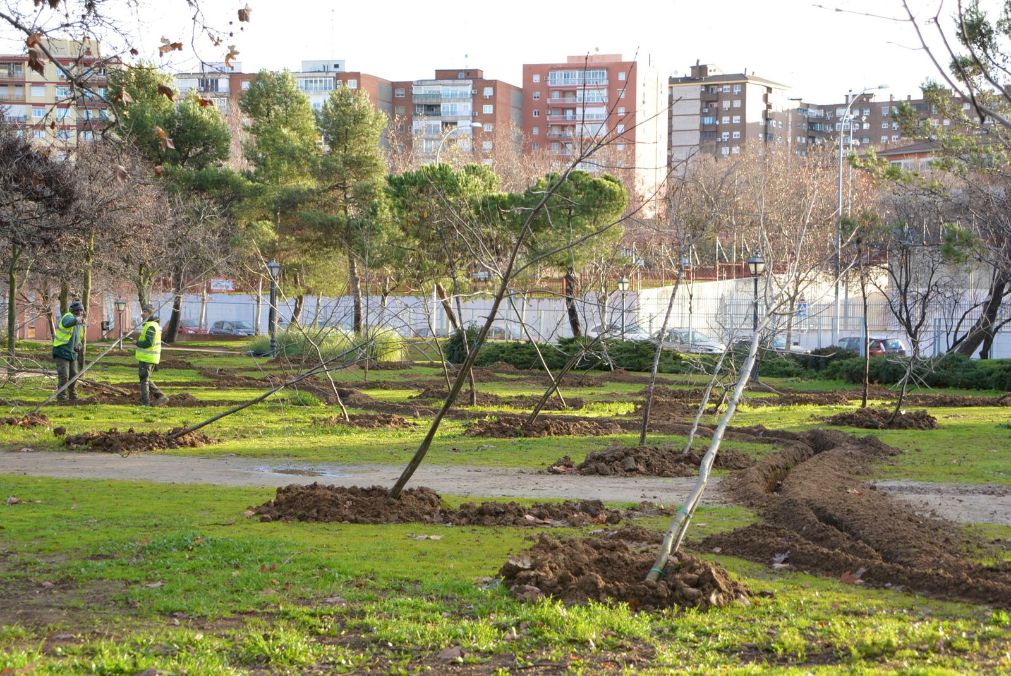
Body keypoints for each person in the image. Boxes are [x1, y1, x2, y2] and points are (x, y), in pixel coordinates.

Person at [52, 300, 86, 402]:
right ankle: (61, 397)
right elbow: (67, 324)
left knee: (74, 375)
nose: (79, 312)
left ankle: (73, 395)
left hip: (72, 353)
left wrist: (79, 345)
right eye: (77, 310)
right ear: (72, 311)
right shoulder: (67, 317)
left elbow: (79, 338)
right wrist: (77, 319)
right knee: (64, 375)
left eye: (81, 310)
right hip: (61, 351)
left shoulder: (79, 324)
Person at [135, 304, 165, 406]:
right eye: (142, 311)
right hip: (148, 357)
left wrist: (137, 343)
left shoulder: (151, 326)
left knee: (144, 380)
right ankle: (159, 396)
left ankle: (146, 402)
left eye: (145, 312)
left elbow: (148, 343)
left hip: (147, 358)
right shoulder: (150, 325)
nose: (142, 313)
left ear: (150, 313)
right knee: (145, 379)